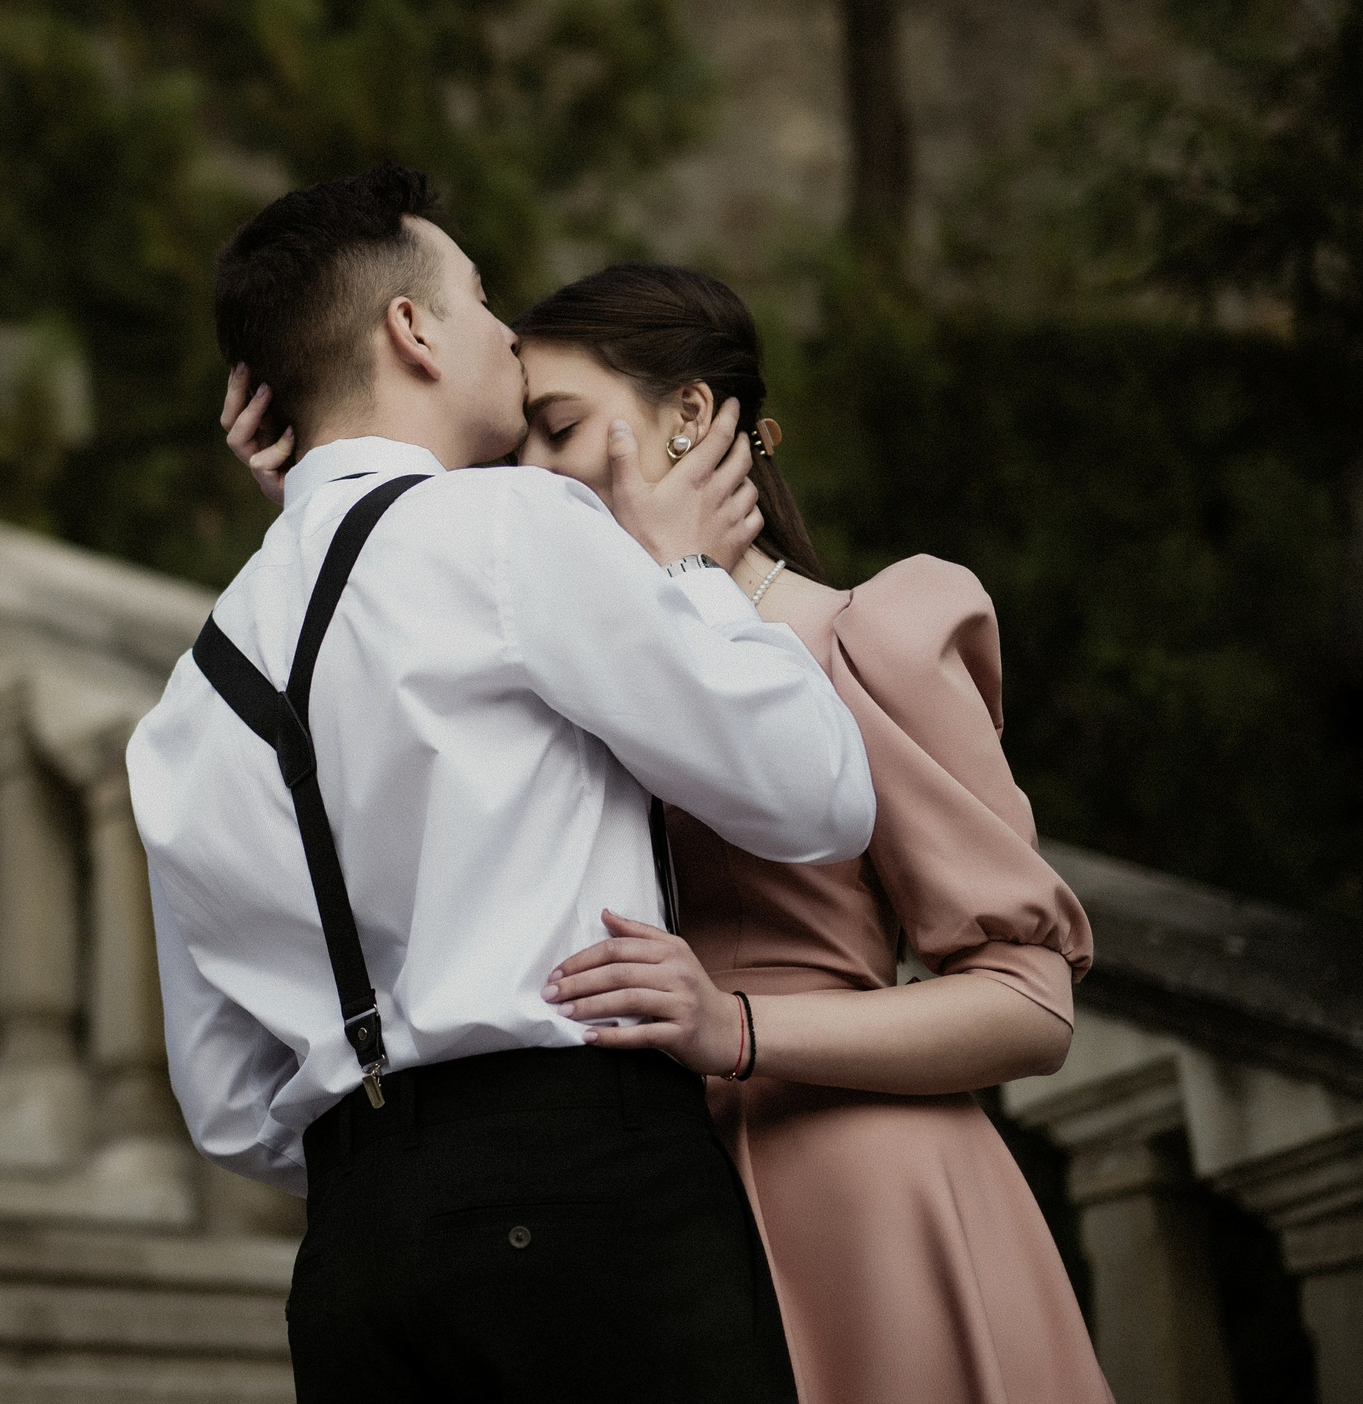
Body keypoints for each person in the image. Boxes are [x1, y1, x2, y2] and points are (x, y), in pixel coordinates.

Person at [224, 260, 1112, 1404]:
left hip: (856, 1196)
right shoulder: (560, 673)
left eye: (559, 429)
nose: (532, 478)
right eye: (512, 454)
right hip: (623, 1211)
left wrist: (734, 1025)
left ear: (689, 414)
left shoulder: (865, 640)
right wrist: (316, 514)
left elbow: (1030, 1005)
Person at [131, 166, 877, 1404]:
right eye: (478, 298)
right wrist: (687, 570)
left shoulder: (188, 698)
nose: (508, 337)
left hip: (354, 1260)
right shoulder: (512, 529)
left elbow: (225, 1104)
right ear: (410, 330)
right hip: (586, 1195)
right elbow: (816, 795)